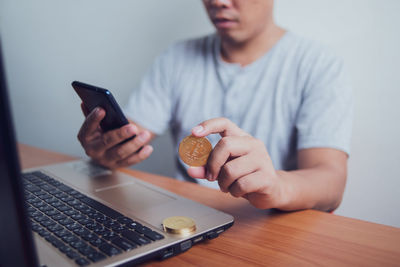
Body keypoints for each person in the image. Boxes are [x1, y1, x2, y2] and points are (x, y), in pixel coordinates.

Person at [77, 0, 352, 212]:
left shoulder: (319, 65)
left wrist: (277, 187)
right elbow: (134, 136)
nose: (218, 1)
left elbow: (331, 181)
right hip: (186, 217)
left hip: (273, 225)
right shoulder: (176, 58)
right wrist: (107, 150)